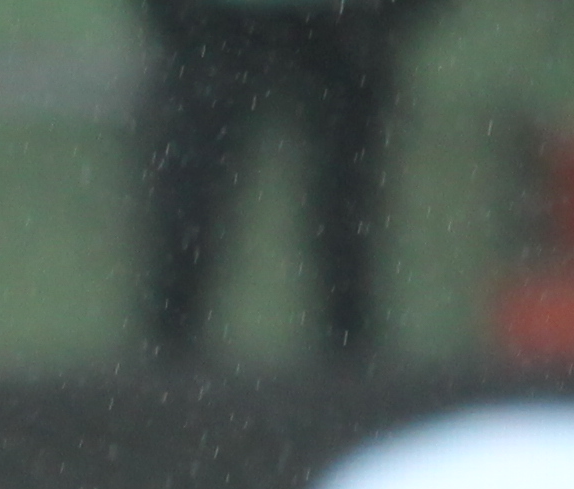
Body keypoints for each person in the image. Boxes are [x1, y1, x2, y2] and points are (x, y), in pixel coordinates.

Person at [135, 0, 448, 364]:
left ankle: (352, 369)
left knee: (344, 213)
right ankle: (167, 369)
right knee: (192, 204)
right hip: (230, 23)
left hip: (334, 26)